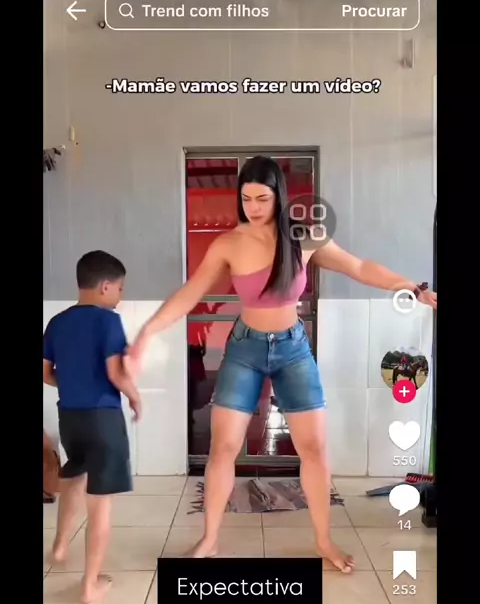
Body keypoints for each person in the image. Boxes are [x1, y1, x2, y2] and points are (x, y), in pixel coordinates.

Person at [127, 156, 437, 572]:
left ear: (279, 196)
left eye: (262, 198)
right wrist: (147, 332)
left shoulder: (304, 238)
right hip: (244, 350)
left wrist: (411, 286)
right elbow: (191, 292)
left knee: (315, 449)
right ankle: (210, 540)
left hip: (293, 350)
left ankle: (323, 542)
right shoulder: (229, 244)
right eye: (246, 199)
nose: (253, 207)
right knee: (224, 448)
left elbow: (359, 266)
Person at [43, 251, 141, 603]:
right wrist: (135, 397)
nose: (120, 296)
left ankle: (59, 545)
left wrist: (72, 384)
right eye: (120, 289)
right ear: (105, 287)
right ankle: (90, 584)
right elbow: (116, 373)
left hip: (70, 416)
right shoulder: (108, 321)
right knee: (100, 504)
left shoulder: (57, 322)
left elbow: (45, 373)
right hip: (103, 418)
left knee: (75, 477)